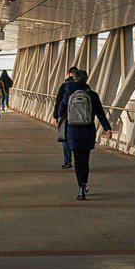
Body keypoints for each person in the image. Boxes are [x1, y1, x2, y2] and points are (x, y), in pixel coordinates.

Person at [55, 69, 112, 200]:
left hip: (73, 131)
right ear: (86, 79)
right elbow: (100, 113)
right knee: (85, 160)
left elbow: (61, 112)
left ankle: (80, 187)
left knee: (77, 161)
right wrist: (107, 128)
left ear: (74, 79)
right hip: (88, 131)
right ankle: (84, 183)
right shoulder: (92, 95)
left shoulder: (68, 93)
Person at [51, 68, 83, 168]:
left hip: (65, 117)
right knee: (78, 139)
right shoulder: (84, 87)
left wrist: (56, 116)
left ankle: (67, 161)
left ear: (68, 74)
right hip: (80, 117)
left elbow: (59, 102)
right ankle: (78, 161)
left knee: (65, 139)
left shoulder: (64, 86)